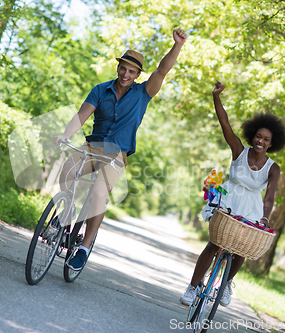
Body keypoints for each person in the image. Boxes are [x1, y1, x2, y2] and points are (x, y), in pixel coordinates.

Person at [54, 29, 188, 271]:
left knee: (98, 194)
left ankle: (83, 248)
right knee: (66, 171)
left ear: (138, 75)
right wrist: (65, 134)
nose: (126, 74)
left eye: (132, 71)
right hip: (93, 145)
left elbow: (162, 70)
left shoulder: (143, 93)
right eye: (123, 68)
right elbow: (82, 115)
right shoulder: (100, 89)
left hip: (117, 153)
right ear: (118, 68)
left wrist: (176, 46)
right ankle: (66, 212)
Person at [180, 81, 285, 307]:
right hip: (228, 198)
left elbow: (269, 197)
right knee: (213, 244)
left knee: (243, 248)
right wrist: (216, 96)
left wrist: (265, 217)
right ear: (253, 136)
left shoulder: (273, 168)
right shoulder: (239, 150)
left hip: (252, 206)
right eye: (258, 136)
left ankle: (227, 282)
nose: (261, 141)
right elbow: (224, 122)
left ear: (271, 143)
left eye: (266, 139)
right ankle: (192, 287)